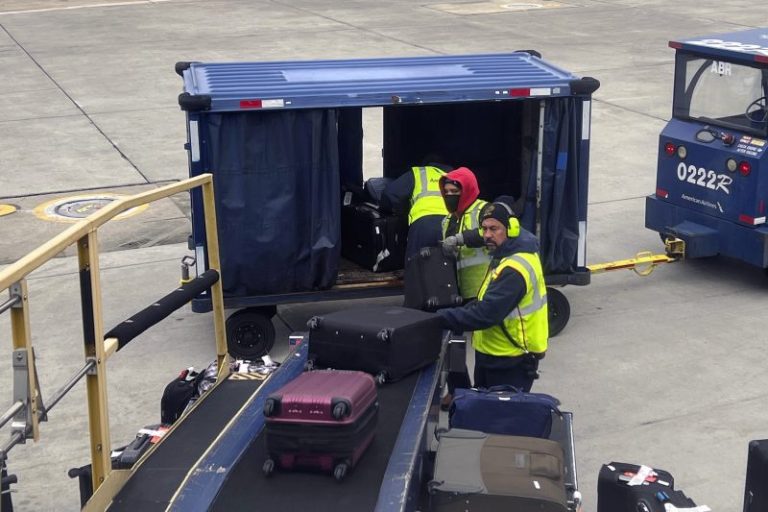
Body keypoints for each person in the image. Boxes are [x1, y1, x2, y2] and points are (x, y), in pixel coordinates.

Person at [436, 197, 549, 392]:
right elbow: (484, 301)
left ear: (511, 229)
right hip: (492, 354)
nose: (487, 235)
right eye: (484, 229)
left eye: (494, 229)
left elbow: (486, 314)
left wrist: (440, 318)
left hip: (509, 360)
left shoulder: (514, 268)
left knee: (497, 411)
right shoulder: (505, 253)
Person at [379, 159, 451, 258]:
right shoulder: (456, 177)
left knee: (416, 263)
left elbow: (389, 194)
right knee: (449, 264)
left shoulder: (419, 172)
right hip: (451, 225)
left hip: (423, 225)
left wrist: (398, 212)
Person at [438, 167, 490, 301]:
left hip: (486, 289)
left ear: (466, 190)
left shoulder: (485, 210)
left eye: (454, 191)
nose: (449, 195)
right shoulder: (447, 221)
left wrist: (461, 238)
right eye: (446, 192)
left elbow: (494, 233)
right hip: (461, 293)